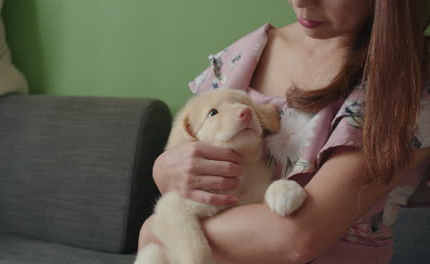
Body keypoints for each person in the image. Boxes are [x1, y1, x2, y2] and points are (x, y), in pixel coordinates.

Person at [139, 0, 430, 263]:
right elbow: (189, 157)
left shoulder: (407, 81)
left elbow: (298, 237)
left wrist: (157, 229)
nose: (301, 2)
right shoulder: (247, 56)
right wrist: (163, 170)